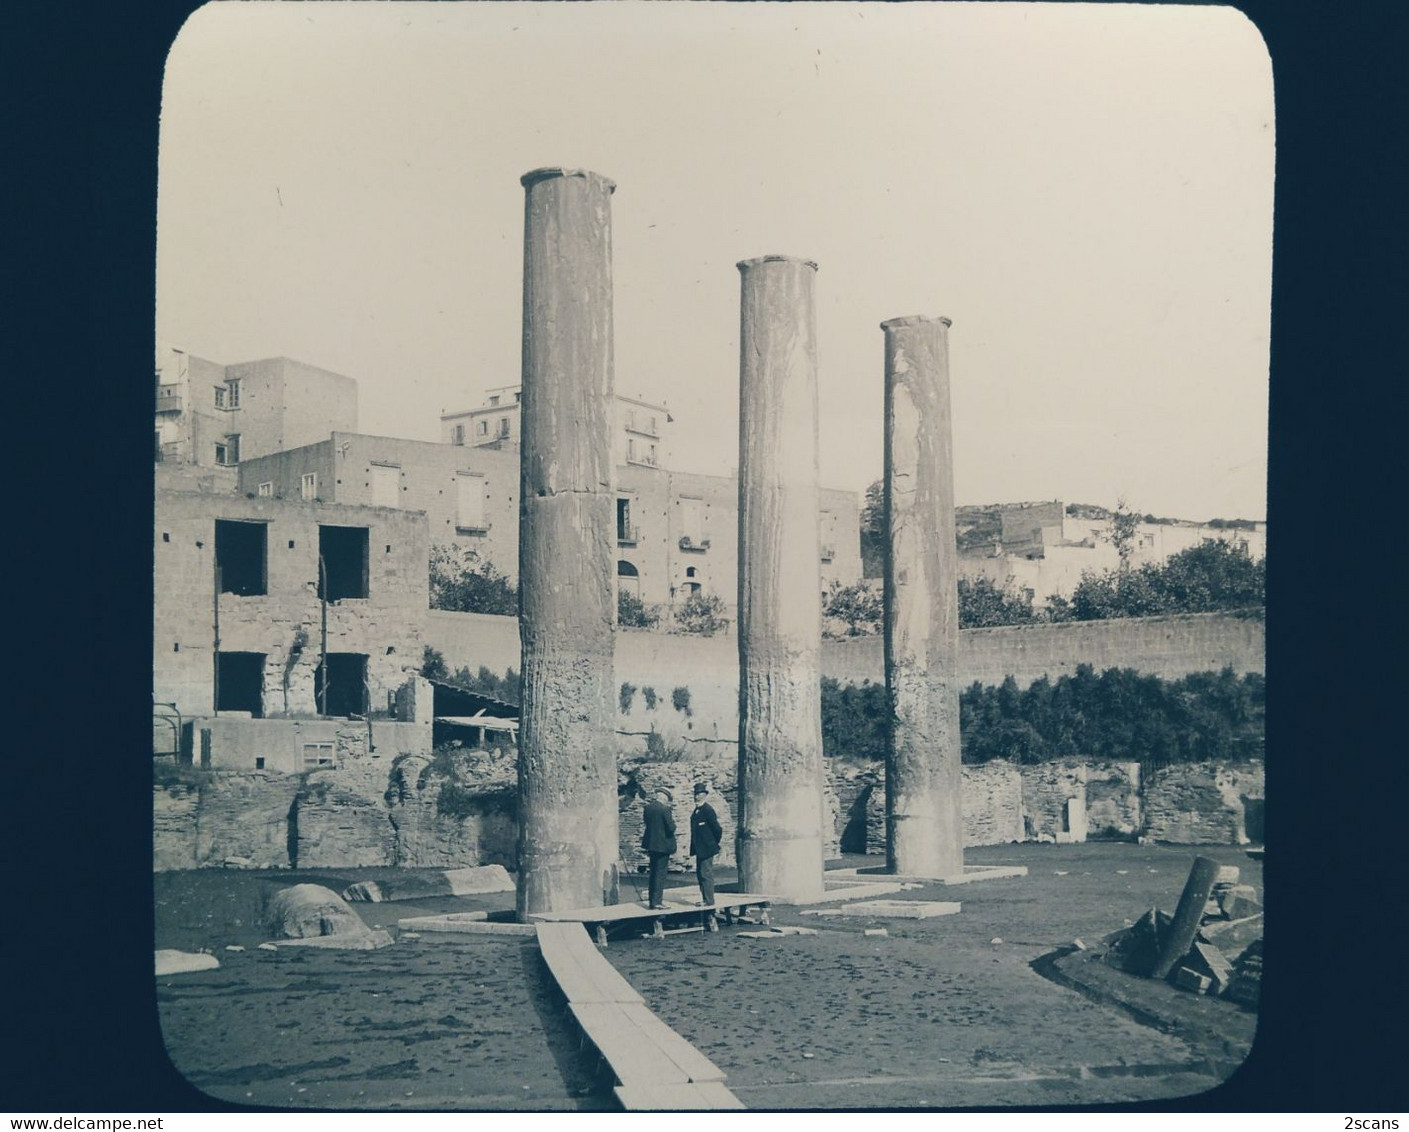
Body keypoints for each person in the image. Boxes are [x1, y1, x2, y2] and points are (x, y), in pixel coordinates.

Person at [641, 787, 676, 910]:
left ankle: (652, 901)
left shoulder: (648, 808)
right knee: (660, 874)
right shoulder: (665, 809)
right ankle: (657, 902)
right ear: (664, 798)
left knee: (653, 872)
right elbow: (671, 828)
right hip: (663, 846)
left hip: (651, 845)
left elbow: (647, 824)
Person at [689, 782, 723, 906]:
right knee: (700, 874)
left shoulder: (708, 810)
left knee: (706, 874)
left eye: (699, 794)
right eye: (695, 794)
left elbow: (717, 829)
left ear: (704, 795)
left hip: (707, 848)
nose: (696, 796)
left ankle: (709, 901)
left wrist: (712, 843)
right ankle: (705, 899)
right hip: (699, 849)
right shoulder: (697, 810)